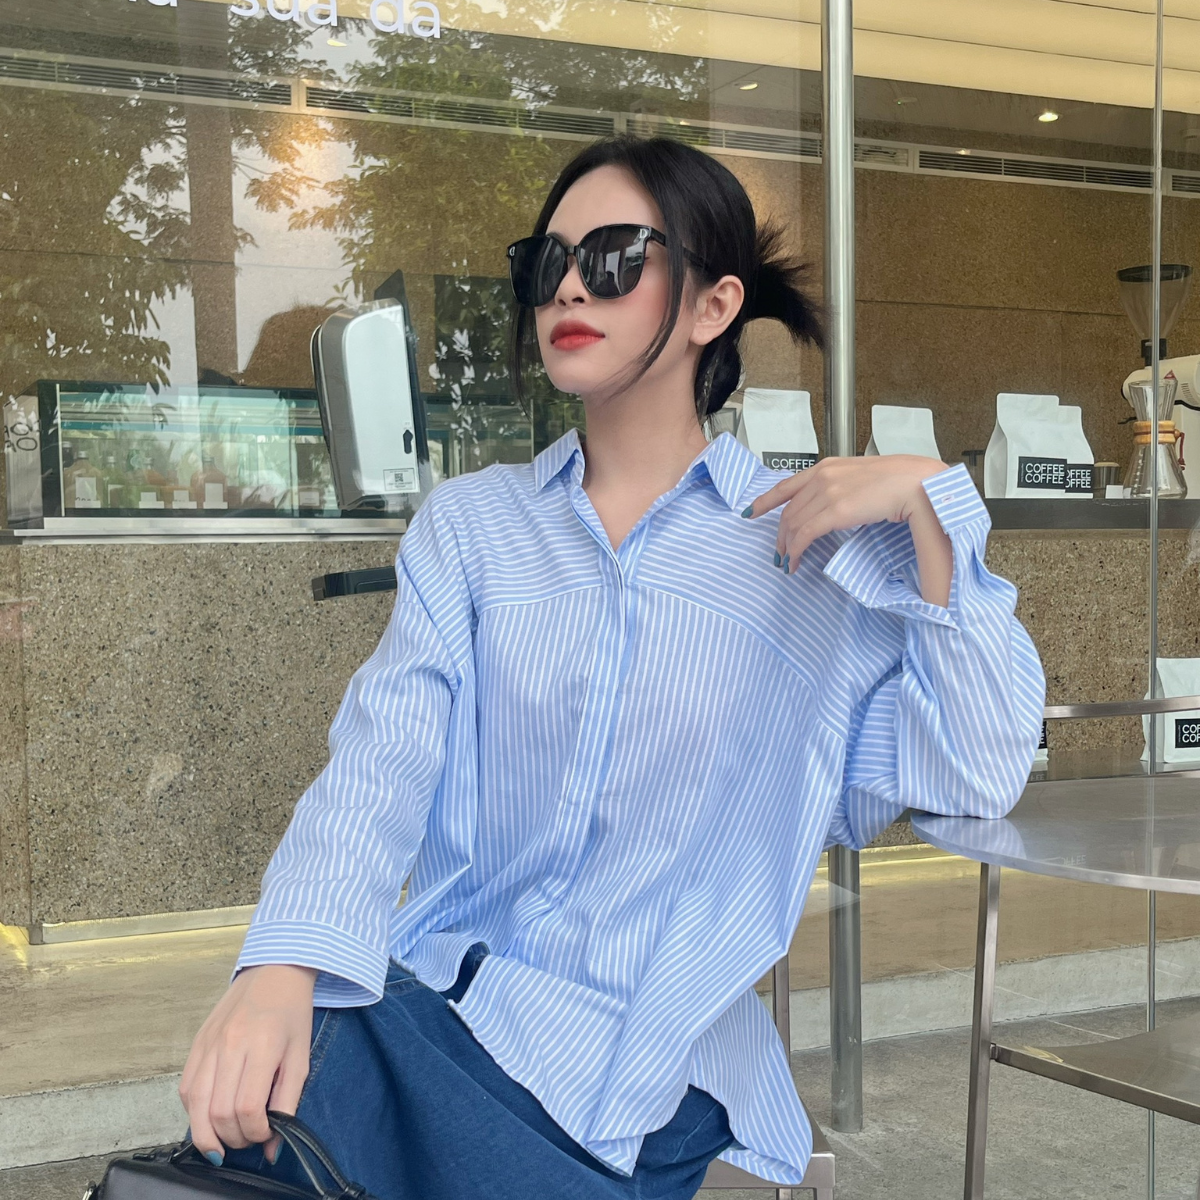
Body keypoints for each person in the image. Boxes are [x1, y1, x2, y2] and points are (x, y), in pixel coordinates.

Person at [179, 135, 1045, 1200]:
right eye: (548, 262)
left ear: (714, 304)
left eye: (617, 256)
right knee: (268, 1088)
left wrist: (931, 506)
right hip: (442, 1014)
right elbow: (379, 761)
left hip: (645, 1075)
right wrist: (283, 964)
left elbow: (976, 769)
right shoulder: (472, 529)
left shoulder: (810, 558)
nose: (570, 287)